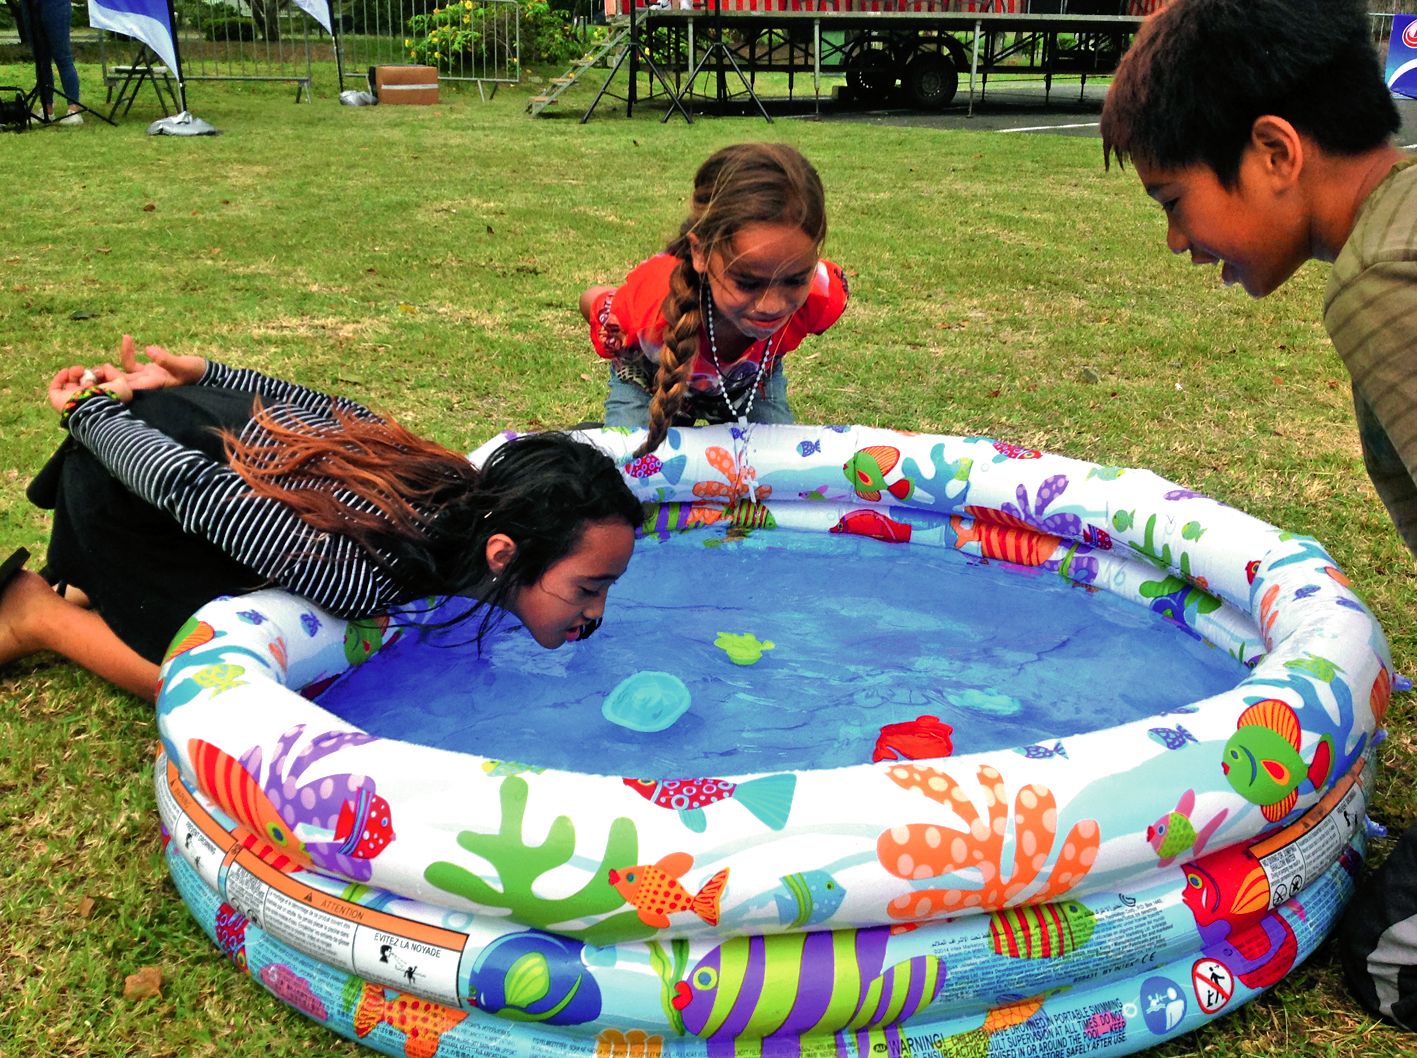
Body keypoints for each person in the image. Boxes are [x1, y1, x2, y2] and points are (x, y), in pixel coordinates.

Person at [1098, 0, 1417, 1030]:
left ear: (1275, 150)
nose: (1177, 241)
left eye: (1172, 198)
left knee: (1390, 956)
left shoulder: (1388, 280)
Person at [0, 337, 641, 701]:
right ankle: (38, 616)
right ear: (503, 555)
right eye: (589, 588)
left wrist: (197, 372)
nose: (597, 614)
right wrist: (91, 413)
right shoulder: (363, 572)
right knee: (211, 674)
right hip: (134, 482)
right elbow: (193, 491)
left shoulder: (456, 486)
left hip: (191, 431)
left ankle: (83, 584)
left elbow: (335, 409)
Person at [579, 142, 849, 458]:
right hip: (653, 381)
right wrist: (610, 323)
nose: (772, 305)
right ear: (701, 252)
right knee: (630, 470)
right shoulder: (652, 305)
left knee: (773, 476)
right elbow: (592, 298)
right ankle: (596, 438)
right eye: (747, 282)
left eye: (794, 280)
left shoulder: (820, 297)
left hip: (749, 386)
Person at [21, 0, 83, 125]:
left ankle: (74, 110)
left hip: (55, 4)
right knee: (41, 59)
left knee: (62, 57)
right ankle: (47, 109)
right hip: (30, 5)